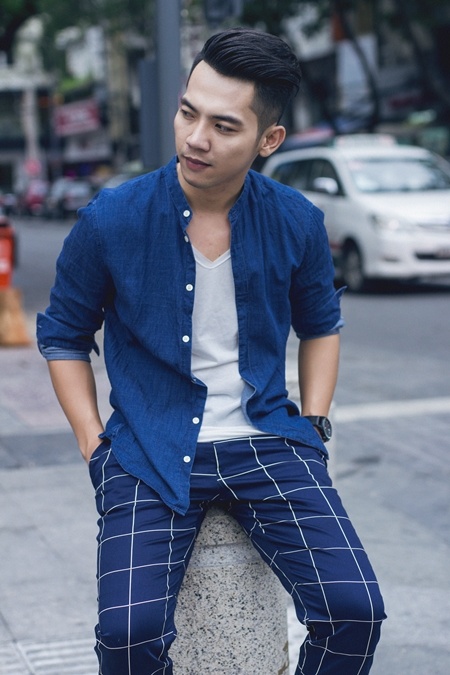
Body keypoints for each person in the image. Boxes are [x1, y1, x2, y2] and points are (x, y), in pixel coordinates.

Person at [37, 27, 385, 675]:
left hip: (269, 439)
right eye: (187, 112)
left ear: (268, 140)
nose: (196, 137)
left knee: (355, 610)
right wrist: (94, 445)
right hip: (147, 447)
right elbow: (63, 335)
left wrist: (314, 423)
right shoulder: (112, 218)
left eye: (224, 126)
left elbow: (321, 325)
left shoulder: (297, 220)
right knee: (128, 636)